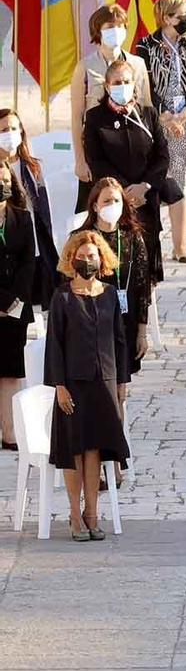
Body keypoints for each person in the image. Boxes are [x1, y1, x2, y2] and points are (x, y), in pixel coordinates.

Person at [45, 230, 131, 542]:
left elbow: (119, 340)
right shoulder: (62, 296)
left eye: (91, 256)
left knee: (95, 449)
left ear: (101, 258)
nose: (87, 261)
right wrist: (59, 386)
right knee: (75, 449)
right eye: (81, 257)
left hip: (103, 383)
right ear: (72, 259)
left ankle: (92, 513)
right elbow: (54, 344)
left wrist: (121, 381)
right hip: (73, 383)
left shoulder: (110, 294)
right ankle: (74, 514)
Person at [134, 0, 186, 263]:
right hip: (154, 124)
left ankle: (180, 247)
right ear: (166, 18)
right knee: (154, 180)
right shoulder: (145, 47)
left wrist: (185, 114)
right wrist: (165, 117)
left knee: (182, 180)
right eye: (181, 15)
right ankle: (148, 242)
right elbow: (143, 86)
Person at [81, 59, 169, 285]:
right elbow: (96, 160)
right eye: (117, 82)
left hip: (146, 200)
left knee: (144, 267)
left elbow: (162, 156)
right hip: (112, 201)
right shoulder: (95, 118)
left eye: (127, 81)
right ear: (107, 86)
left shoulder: (148, 114)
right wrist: (124, 192)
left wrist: (144, 187)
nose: (123, 86)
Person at [70, 4, 153, 212]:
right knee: (98, 212)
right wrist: (80, 159)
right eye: (109, 26)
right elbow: (77, 116)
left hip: (132, 151)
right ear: (98, 31)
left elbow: (147, 110)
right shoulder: (85, 67)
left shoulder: (138, 64)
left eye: (119, 26)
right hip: (97, 151)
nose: (115, 31)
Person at [79, 178, 151, 382]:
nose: (112, 206)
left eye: (117, 201)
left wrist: (142, 333)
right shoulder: (83, 239)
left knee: (121, 383)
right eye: (107, 201)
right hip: (92, 323)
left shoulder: (132, 237)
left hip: (125, 320)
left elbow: (143, 287)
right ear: (95, 206)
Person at [0, 111, 58, 314]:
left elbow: (44, 210)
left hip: (34, 244)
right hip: (6, 245)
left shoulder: (33, 167)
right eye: (4, 129)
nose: (9, 133)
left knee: (34, 304)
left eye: (13, 128)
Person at [0, 160, 36, 453]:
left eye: (6, 181)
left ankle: (9, 432)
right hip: (3, 301)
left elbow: (28, 264)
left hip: (15, 307)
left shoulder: (22, 218)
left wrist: (14, 301)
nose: (3, 186)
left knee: (11, 371)